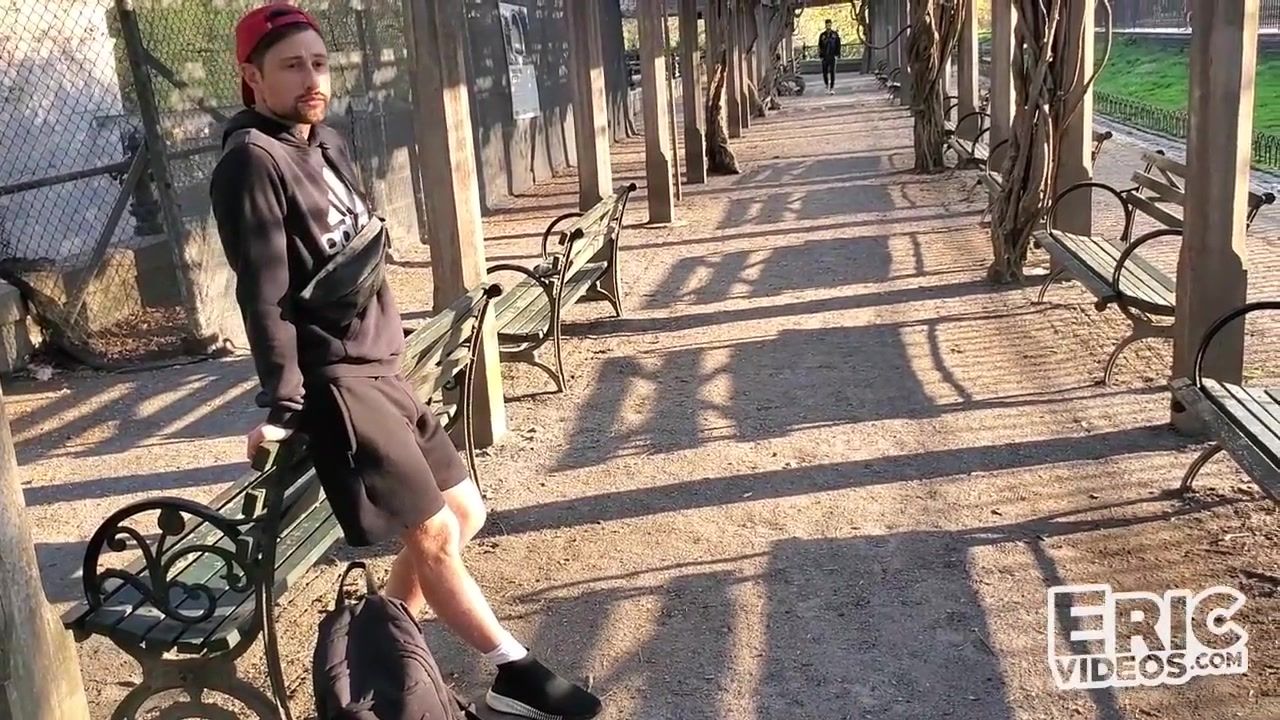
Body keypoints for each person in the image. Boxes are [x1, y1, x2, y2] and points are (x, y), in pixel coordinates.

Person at [208, 5, 603, 720]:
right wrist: (284, 405)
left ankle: (384, 644)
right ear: (251, 77)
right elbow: (264, 293)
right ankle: (513, 671)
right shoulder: (251, 162)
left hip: (383, 368)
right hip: (338, 383)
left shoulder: (327, 142)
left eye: (319, 63)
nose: (312, 78)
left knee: (466, 510)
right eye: (292, 66)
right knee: (434, 534)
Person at [818, 19, 841, 95]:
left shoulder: (835, 34)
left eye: (829, 24)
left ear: (831, 25)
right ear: (825, 25)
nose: (828, 26)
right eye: (827, 25)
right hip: (825, 56)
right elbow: (820, 45)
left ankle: (832, 88)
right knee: (825, 72)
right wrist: (820, 55)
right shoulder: (822, 35)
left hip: (832, 55)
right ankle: (826, 85)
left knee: (832, 72)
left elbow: (838, 44)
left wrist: (837, 54)